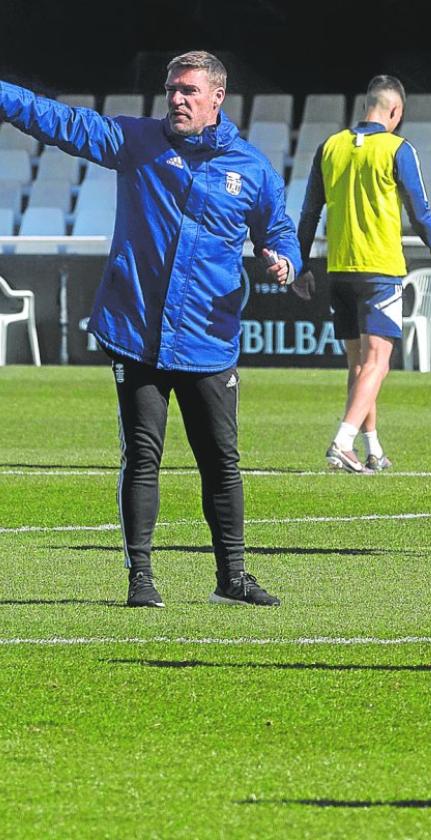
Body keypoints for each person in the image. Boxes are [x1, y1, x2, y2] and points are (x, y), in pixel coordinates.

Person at [0, 51, 300, 608]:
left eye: (189, 91)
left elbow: (279, 229)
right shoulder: (135, 141)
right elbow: (62, 122)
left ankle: (231, 580)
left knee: (222, 464)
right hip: (136, 332)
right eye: (171, 90)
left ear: (217, 98)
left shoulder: (252, 169)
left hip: (208, 342)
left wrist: (284, 258)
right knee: (142, 457)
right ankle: (141, 579)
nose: (178, 99)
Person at [295, 75, 431, 474]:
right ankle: (342, 442)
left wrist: (300, 263)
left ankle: (373, 448)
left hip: (340, 269)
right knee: (378, 363)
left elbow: (309, 211)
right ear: (395, 111)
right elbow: (419, 210)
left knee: (359, 365)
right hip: (380, 270)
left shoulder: (329, 146)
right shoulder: (397, 148)